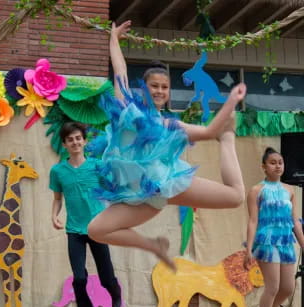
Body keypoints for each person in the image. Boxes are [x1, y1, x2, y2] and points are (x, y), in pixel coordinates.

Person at [87, 20, 246, 270]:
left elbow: (208, 131)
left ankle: (229, 139)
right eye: (154, 86)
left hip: (168, 183)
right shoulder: (128, 111)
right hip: (139, 197)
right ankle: (153, 246)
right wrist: (114, 39)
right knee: (95, 230)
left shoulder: (169, 125)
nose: (160, 91)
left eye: (164, 87)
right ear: (144, 89)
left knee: (236, 197)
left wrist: (230, 105)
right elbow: (119, 70)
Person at [49, 122, 122, 307]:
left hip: (98, 227)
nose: (75, 142)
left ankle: (115, 291)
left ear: (84, 141)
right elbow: (57, 199)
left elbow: (113, 189)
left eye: (78, 138)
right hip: (74, 230)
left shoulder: (97, 166)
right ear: (64, 144)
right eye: (70, 139)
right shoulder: (58, 171)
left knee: (106, 277)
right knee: (79, 279)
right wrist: (54, 216)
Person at [245, 147, 304, 307]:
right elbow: (253, 221)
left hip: (286, 241)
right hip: (266, 241)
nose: (278, 165)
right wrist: (249, 250)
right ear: (264, 167)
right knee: (273, 287)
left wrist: (303, 243)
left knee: (287, 288)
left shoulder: (290, 190)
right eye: (273, 162)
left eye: (280, 162)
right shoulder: (256, 191)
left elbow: (295, 221)